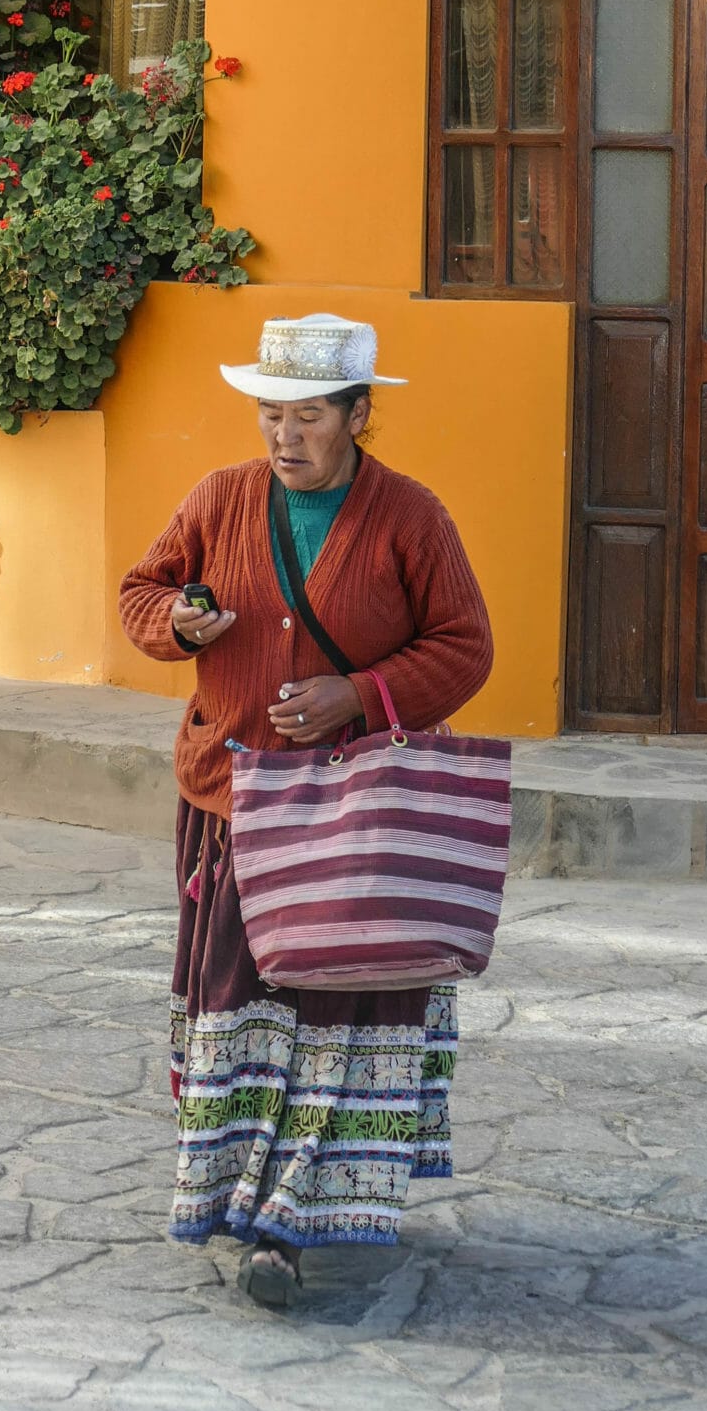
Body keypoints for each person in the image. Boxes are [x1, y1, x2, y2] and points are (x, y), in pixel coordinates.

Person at [118, 312, 494, 1307]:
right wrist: (179, 619)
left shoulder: (412, 518)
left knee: (339, 1011)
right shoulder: (218, 498)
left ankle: (288, 1219)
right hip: (233, 806)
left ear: (360, 414)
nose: (282, 435)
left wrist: (359, 694)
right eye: (269, 412)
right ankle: (238, 1203)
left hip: (355, 818)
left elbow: (465, 646)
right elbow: (139, 592)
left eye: (308, 414)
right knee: (239, 1010)